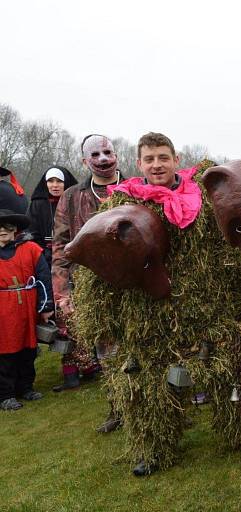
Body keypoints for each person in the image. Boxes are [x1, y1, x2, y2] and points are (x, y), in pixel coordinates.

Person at [71, 132, 241, 476]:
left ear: (176, 159)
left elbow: (234, 247)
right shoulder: (119, 206)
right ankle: (154, 449)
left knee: (237, 371)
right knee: (151, 387)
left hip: (211, 309)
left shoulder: (205, 198)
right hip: (150, 317)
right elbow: (100, 268)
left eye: (163, 158)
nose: (157, 165)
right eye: (150, 159)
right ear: (138, 164)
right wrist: (102, 324)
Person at [50, 135, 122, 401]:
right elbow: (60, 248)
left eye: (107, 152)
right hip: (92, 290)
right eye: (95, 155)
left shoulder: (136, 189)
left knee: (140, 351)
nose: (103, 159)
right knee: (108, 352)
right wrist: (62, 293)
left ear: (116, 155)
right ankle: (118, 408)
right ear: (84, 161)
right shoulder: (71, 197)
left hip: (135, 286)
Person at [0, 210, 53, 410]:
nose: (2, 231)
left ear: (16, 230)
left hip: (27, 308)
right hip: (2, 311)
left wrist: (46, 306)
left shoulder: (31, 249)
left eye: (7, 227)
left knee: (28, 350)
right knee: (5, 353)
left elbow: (43, 278)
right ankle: (5, 394)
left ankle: (26, 387)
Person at [27, 166, 79, 265]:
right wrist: (42, 253)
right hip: (43, 257)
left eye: (59, 181)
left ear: (66, 183)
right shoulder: (38, 204)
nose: (55, 185)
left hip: (73, 255)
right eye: (50, 181)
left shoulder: (77, 202)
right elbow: (31, 232)